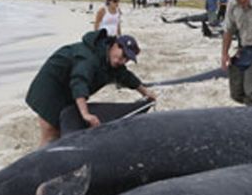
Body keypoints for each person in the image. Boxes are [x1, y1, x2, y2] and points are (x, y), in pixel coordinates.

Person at [25, 30, 156, 146]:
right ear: (115, 45)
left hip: (67, 89)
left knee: (64, 126)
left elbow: (126, 76)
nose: (121, 61)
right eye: (122, 56)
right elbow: (79, 81)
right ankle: (41, 161)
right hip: (50, 85)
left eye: (126, 59)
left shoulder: (110, 60)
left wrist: (145, 92)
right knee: (50, 131)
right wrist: (85, 114)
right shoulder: (90, 58)